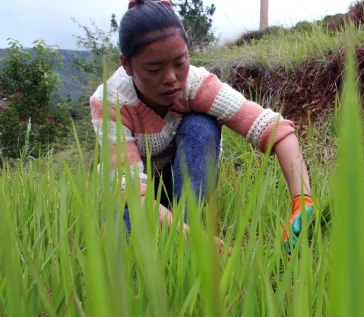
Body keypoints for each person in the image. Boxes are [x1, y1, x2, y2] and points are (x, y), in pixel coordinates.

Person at [90, 0, 314, 254]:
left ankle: (189, 220)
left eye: (180, 61)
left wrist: (302, 200)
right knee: (130, 243)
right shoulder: (110, 102)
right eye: (154, 68)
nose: (171, 78)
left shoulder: (196, 84)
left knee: (201, 125)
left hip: (185, 181)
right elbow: (131, 192)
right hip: (139, 197)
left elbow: (274, 129)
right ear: (126, 65)